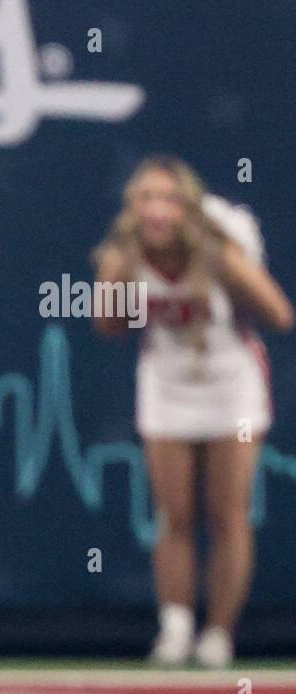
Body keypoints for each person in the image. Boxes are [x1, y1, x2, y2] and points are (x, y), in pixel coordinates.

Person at [92, 156, 292, 667]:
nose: (158, 211)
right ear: (134, 208)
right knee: (174, 516)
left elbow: (279, 315)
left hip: (231, 387)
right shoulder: (126, 255)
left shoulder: (221, 248)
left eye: (170, 199)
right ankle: (176, 628)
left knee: (228, 516)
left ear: (189, 207)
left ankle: (219, 635)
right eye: (147, 199)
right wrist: (113, 285)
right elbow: (109, 329)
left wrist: (232, 270)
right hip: (167, 387)